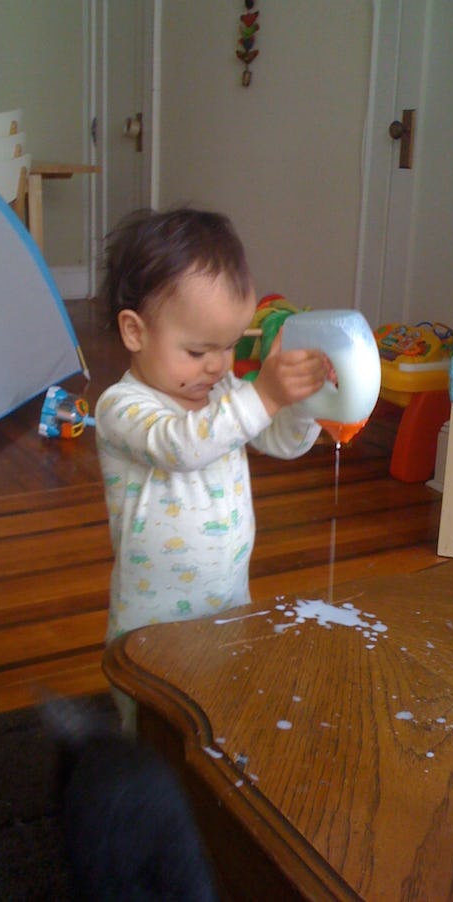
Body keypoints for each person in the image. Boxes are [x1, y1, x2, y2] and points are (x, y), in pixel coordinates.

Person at [96, 207, 329, 726]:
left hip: (227, 595)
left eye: (229, 346)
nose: (219, 366)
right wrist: (262, 395)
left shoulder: (221, 393)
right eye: (199, 349)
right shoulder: (122, 408)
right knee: (154, 720)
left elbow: (279, 439)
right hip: (152, 621)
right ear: (135, 332)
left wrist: (306, 406)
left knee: (219, 704)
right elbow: (181, 445)